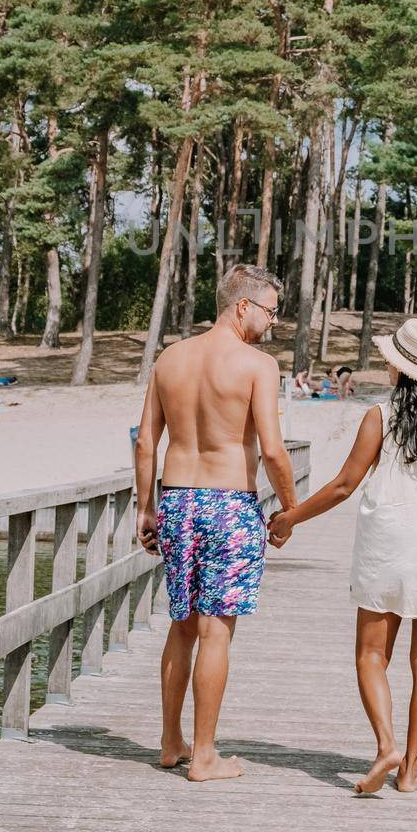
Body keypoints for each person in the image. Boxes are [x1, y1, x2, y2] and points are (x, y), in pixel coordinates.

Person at [269, 317, 417, 795]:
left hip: (387, 546)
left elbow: (345, 485)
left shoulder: (380, 415)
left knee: (372, 654)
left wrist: (290, 518)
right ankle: (410, 770)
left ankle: (386, 744)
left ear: (399, 368)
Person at [135, 263, 298, 782]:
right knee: (216, 632)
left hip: (177, 500)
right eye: (271, 311)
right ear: (243, 305)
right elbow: (272, 450)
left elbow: (145, 442)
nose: (273, 322)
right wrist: (290, 510)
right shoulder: (257, 366)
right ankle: (203, 756)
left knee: (182, 627)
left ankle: (170, 741)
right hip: (229, 503)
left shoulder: (170, 358)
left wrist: (145, 508)